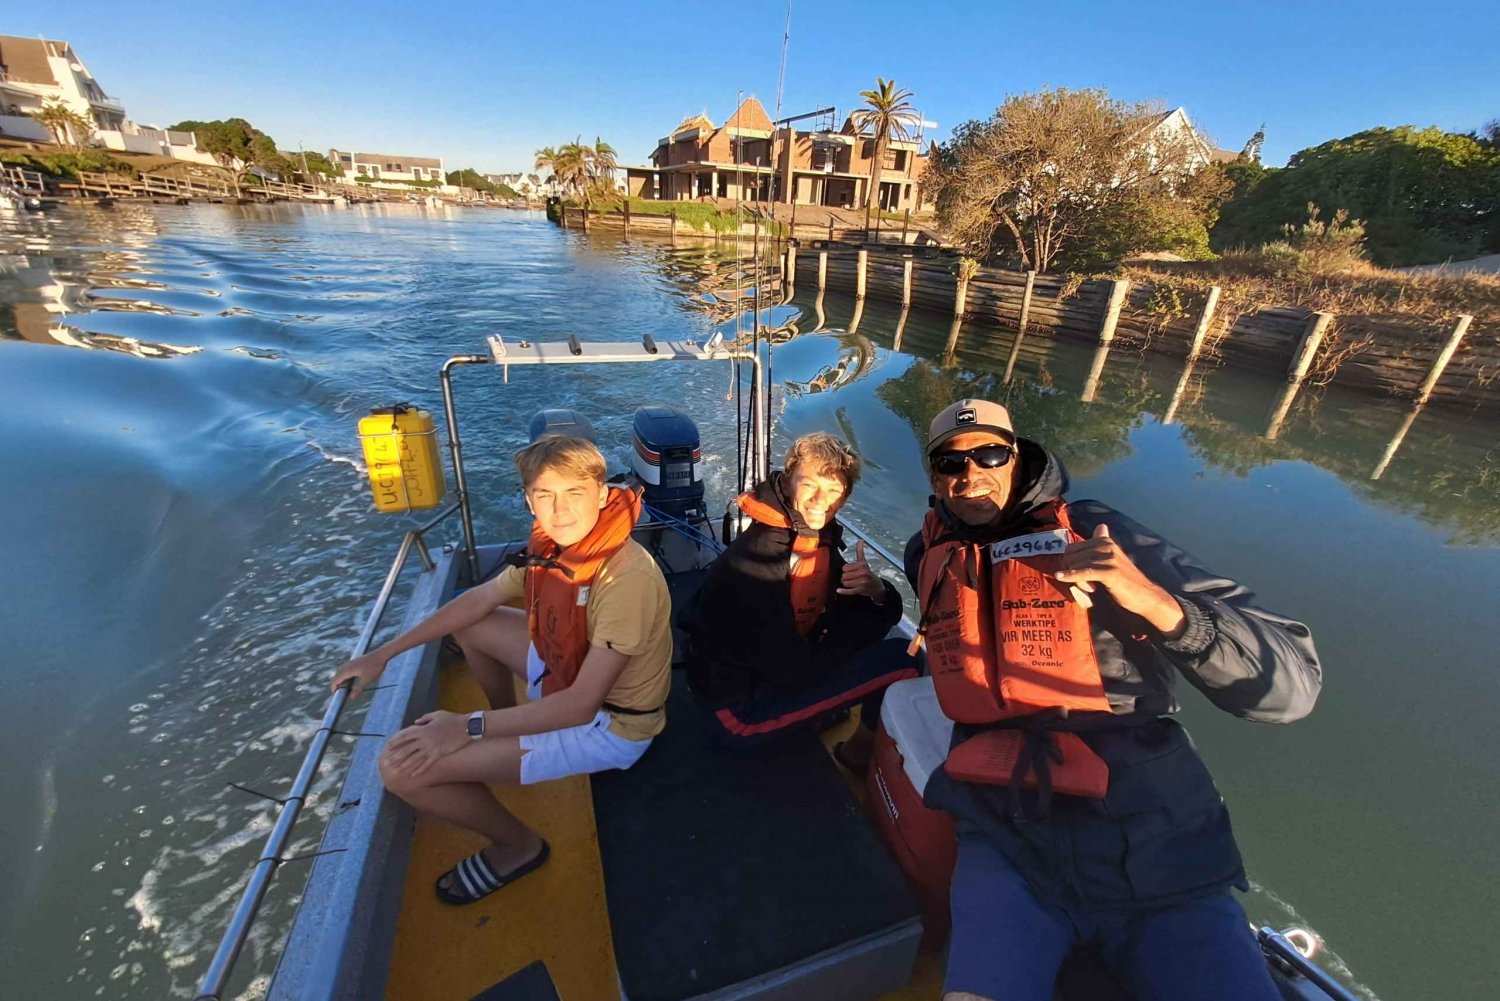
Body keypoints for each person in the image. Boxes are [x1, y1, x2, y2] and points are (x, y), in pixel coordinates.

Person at [903, 399, 1322, 1001]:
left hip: (1155, 839)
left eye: (988, 453)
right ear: (934, 477)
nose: (969, 474)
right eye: (948, 462)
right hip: (1008, 832)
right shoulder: (930, 555)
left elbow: (1292, 689)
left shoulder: (1098, 533)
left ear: (1016, 454)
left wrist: (1152, 600)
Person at [330, 435, 671, 905]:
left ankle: (518, 847)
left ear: (603, 493)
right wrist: (383, 654)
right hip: (561, 675)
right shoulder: (554, 546)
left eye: (574, 493)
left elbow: (579, 707)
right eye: (545, 495)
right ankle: (506, 735)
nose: (560, 510)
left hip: (610, 724)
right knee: (476, 624)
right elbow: (479, 600)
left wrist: (466, 728)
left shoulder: (626, 579)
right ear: (529, 499)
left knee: (400, 770)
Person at [681, 432, 913, 763]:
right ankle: (856, 758)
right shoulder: (758, 560)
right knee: (903, 662)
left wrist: (875, 591)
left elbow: (880, 615)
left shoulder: (811, 540)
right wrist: (855, 643)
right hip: (736, 715)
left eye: (835, 491)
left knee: (872, 644)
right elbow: (793, 671)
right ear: (788, 480)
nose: (823, 500)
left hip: (768, 676)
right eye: (811, 485)